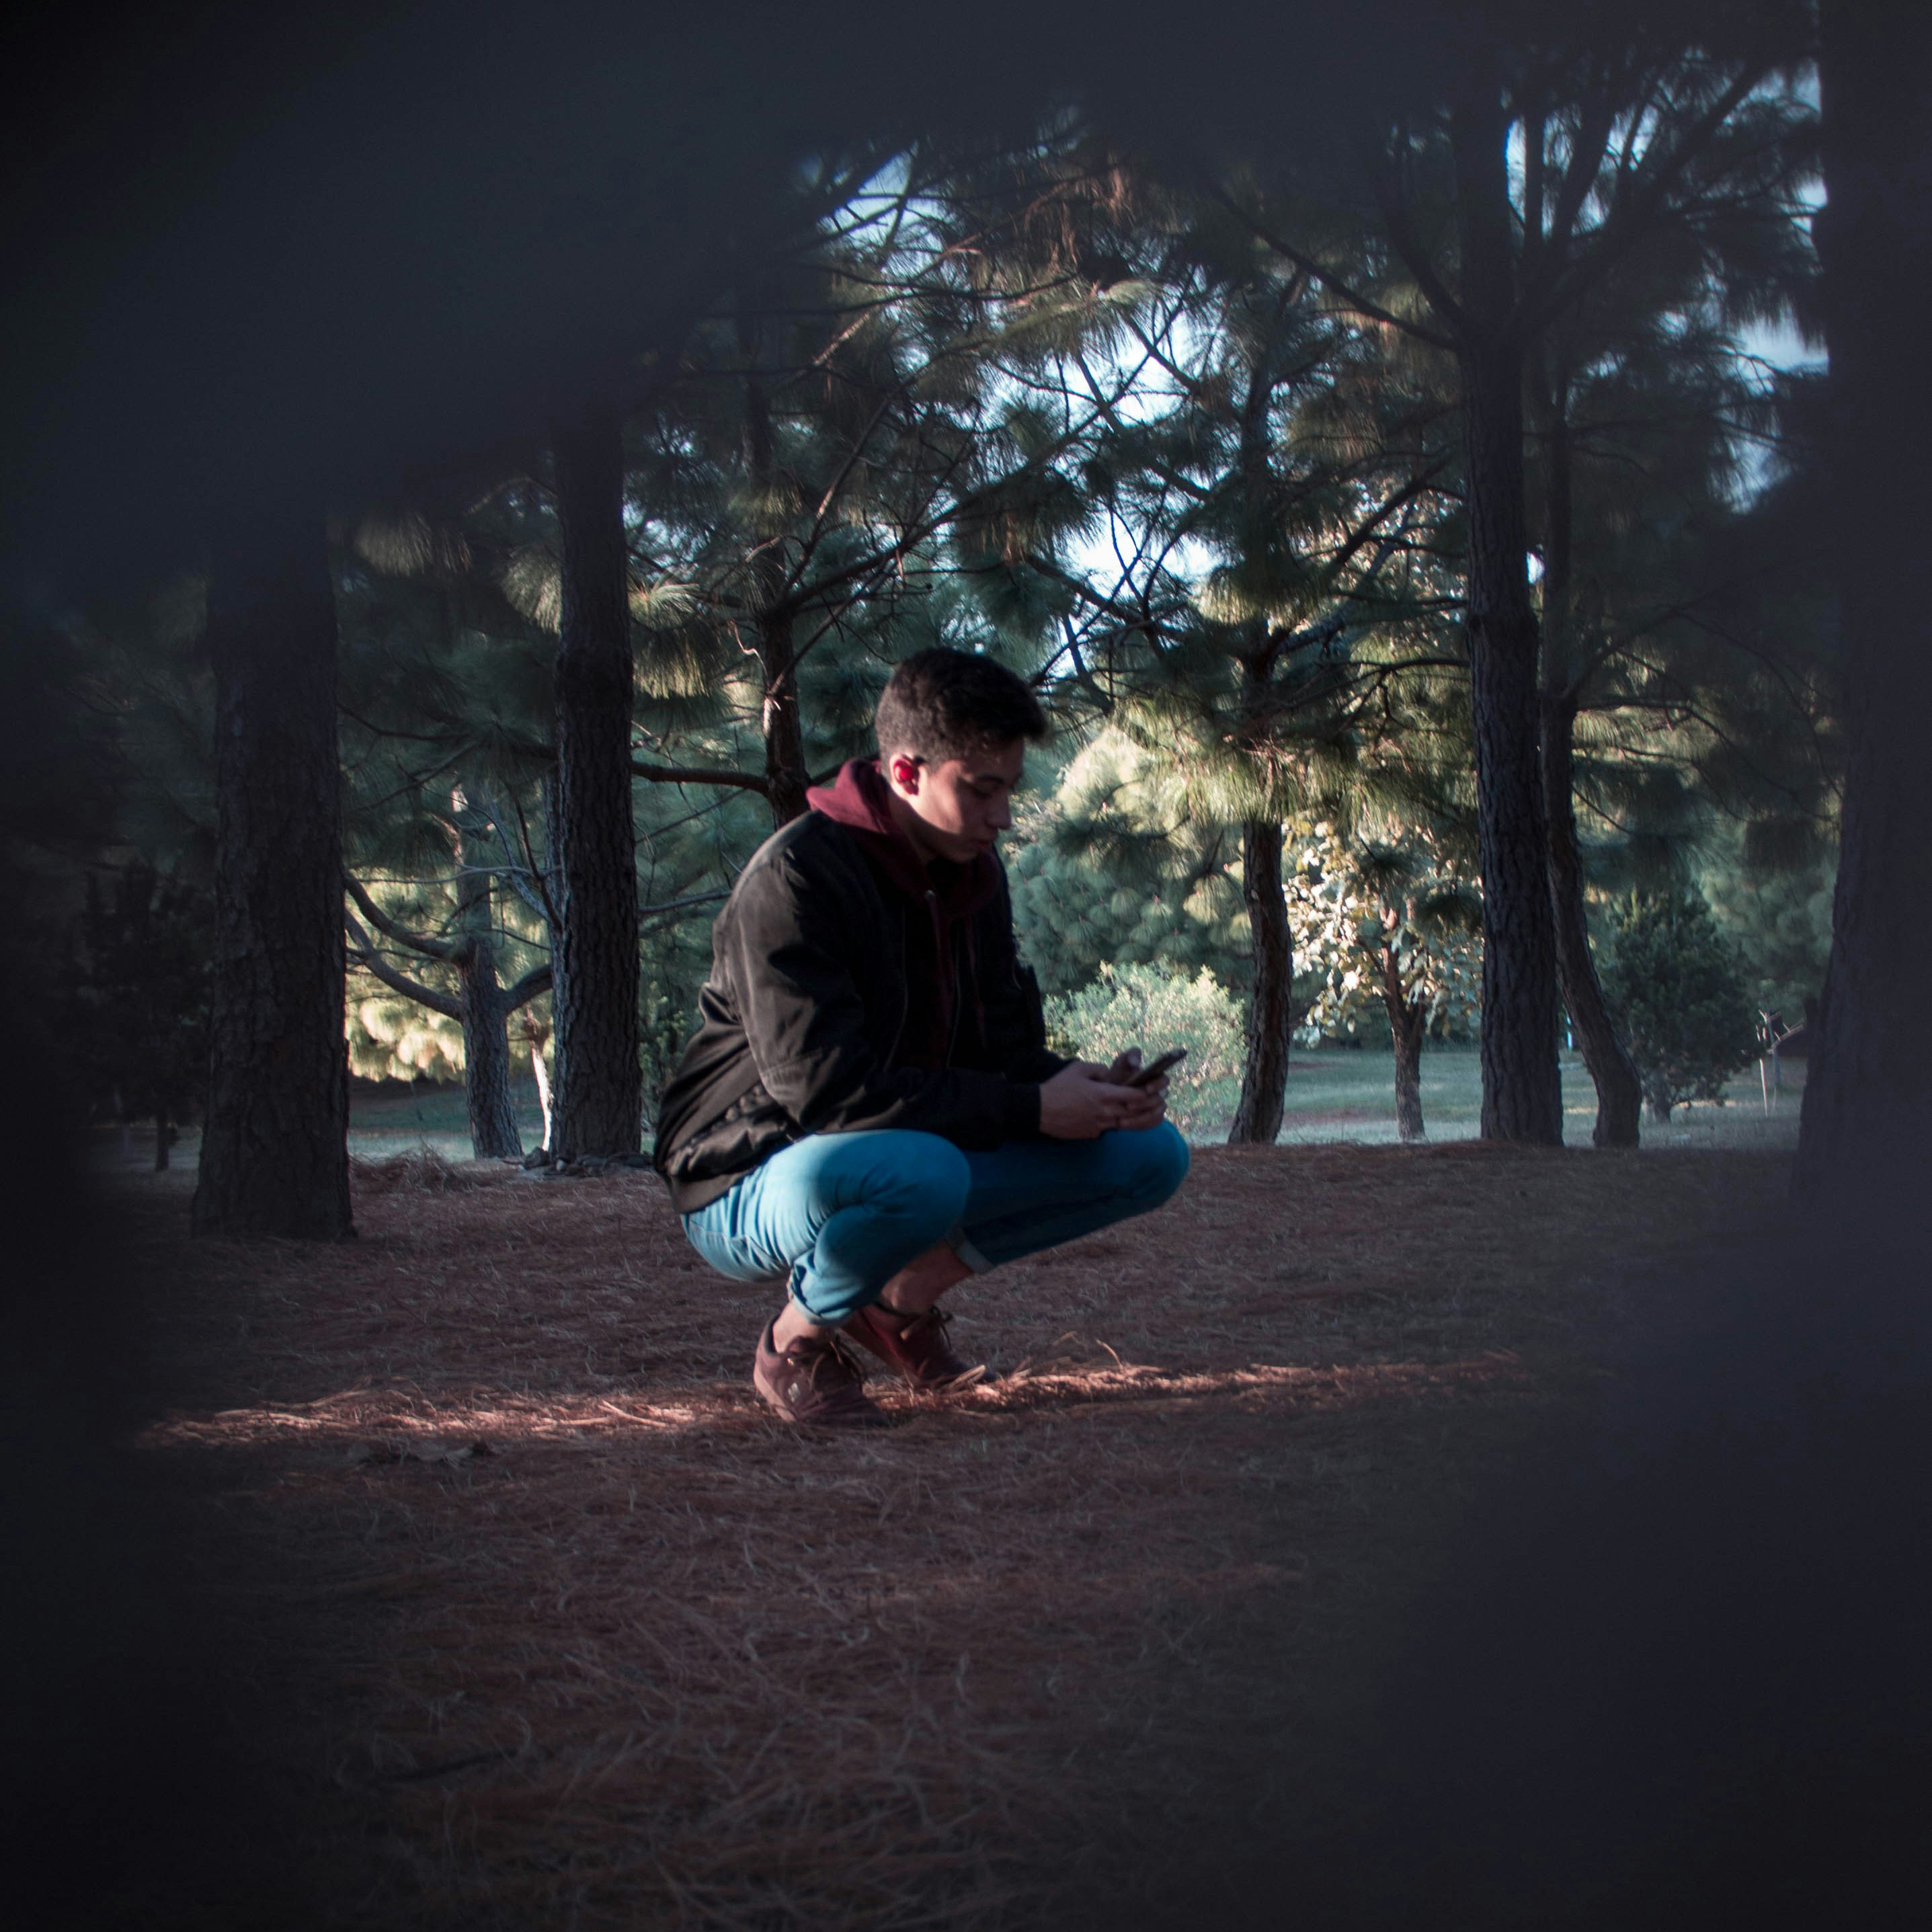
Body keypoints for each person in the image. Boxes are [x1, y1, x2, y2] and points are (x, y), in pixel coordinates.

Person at [651, 649, 1191, 1428]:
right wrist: (1031, 1109)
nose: (1004, 816)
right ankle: (794, 1343)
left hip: (898, 1148)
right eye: (982, 790)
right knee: (924, 1173)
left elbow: (1001, 1055)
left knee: (1153, 1156)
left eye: (1010, 788)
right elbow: (831, 1095)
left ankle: (897, 1300)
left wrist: (1087, 1091)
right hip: (746, 1174)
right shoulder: (794, 881)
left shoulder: (974, 874)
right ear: (907, 774)